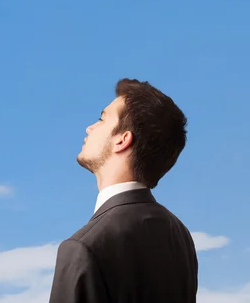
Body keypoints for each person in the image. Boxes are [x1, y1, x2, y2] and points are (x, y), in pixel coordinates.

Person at [49, 78, 198, 303]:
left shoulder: (82, 247)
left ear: (122, 140)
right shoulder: (180, 235)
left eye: (101, 119)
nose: (90, 127)